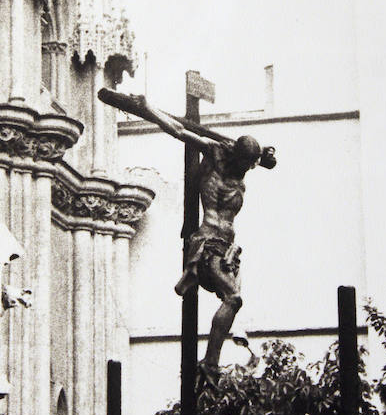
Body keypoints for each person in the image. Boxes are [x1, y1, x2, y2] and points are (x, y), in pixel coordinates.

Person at [98, 88, 275, 376]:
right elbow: (179, 130)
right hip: (208, 242)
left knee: (234, 302)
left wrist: (266, 155)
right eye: (247, 163)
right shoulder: (215, 155)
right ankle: (211, 363)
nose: (250, 169)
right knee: (234, 298)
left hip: (229, 248)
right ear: (238, 157)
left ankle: (215, 359)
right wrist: (148, 107)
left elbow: (260, 158)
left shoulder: (242, 170)